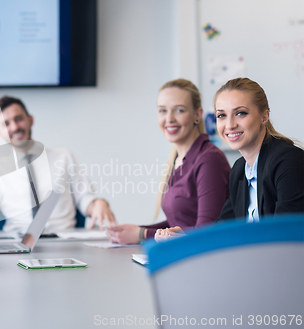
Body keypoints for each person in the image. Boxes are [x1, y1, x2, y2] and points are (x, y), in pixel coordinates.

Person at [155, 77, 304, 241]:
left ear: (264, 116)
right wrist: (183, 238)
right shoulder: (240, 170)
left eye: (241, 113)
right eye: (221, 115)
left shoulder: (288, 161)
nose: (230, 124)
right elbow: (219, 232)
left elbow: (285, 237)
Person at [0, 95, 116, 235]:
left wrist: (98, 203)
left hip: (64, 240)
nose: (15, 127)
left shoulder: (64, 156)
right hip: (18, 243)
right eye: (6, 124)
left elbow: (85, 199)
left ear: (30, 120)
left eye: (18, 119)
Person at [107, 79, 230, 244]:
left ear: (197, 115)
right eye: (162, 111)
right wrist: (135, 230)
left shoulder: (209, 159)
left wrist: (142, 234)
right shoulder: (178, 159)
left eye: (179, 110)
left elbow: (205, 232)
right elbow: (178, 223)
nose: (169, 118)